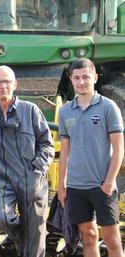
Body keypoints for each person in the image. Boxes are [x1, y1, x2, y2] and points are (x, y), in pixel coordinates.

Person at [0, 66, 55, 257]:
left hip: (32, 177)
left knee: (36, 237)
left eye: (7, 81)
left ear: (15, 84)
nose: (2, 86)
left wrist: (38, 169)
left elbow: (47, 144)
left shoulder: (30, 110)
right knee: (1, 218)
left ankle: (29, 240)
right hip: (4, 177)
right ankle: (24, 236)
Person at [58, 58, 124, 257]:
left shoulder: (108, 107)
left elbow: (119, 148)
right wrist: (62, 186)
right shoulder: (65, 111)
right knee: (88, 237)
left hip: (102, 185)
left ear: (95, 78)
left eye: (85, 77)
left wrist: (109, 182)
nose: (81, 82)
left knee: (112, 240)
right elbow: (64, 152)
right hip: (76, 187)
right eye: (76, 78)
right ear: (71, 80)